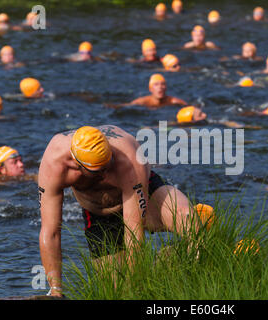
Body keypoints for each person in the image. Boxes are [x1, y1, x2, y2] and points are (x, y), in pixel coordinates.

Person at [38, 125, 201, 296]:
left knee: (189, 221)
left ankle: (193, 254)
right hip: (99, 214)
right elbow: (51, 232)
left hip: (142, 197)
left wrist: (135, 286)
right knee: (116, 291)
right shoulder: (54, 164)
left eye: (108, 166)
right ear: (76, 163)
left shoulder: (128, 158)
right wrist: (56, 290)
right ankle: (163, 264)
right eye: (98, 171)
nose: (105, 175)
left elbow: (134, 232)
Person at [111, 74, 187, 110]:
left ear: (166, 87)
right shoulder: (143, 102)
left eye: (162, 84)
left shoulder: (173, 101)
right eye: (156, 84)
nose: (160, 87)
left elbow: (188, 106)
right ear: (150, 89)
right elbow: (126, 106)